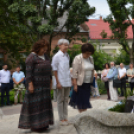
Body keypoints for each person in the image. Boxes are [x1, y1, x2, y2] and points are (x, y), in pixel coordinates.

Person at [18, 39, 54, 132]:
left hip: (45, 85)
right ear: (38, 47)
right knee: (36, 106)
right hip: (36, 86)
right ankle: (36, 126)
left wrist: (50, 82)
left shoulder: (45, 56)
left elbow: (49, 70)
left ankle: (44, 124)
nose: (44, 51)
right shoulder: (31, 57)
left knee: (44, 105)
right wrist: (30, 85)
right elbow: (28, 73)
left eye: (46, 49)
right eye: (43, 49)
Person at [69, 43, 95, 113]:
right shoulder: (78, 58)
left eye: (90, 53)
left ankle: (84, 116)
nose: (88, 55)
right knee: (80, 103)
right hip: (80, 84)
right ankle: (81, 116)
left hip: (88, 83)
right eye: (87, 53)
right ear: (83, 51)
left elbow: (92, 69)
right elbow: (74, 73)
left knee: (86, 102)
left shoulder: (91, 58)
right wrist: (75, 85)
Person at [51, 39, 72, 126]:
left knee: (66, 99)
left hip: (67, 80)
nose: (66, 47)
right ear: (59, 45)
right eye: (65, 45)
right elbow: (55, 70)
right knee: (60, 99)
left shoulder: (67, 55)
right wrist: (57, 82)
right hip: (60, 80)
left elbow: (67, 70)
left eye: (67, 45)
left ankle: (66, 117)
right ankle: (61, 118)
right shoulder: (56, 56)